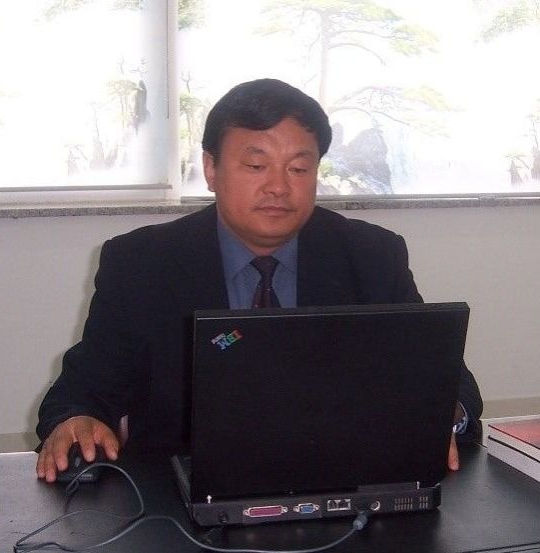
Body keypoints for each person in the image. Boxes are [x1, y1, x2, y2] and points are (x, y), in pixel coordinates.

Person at [36, 78, 482, 482]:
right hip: (176, 501)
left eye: (299, 169)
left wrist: (439, 415)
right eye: (255, 166)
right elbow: (82, 390)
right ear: (211, 169)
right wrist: (76, 420)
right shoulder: (142, 263)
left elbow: (446, 382)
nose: (278, 187)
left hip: (340, 490)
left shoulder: (371, 256)